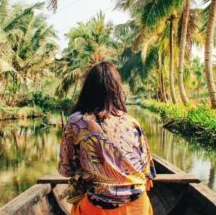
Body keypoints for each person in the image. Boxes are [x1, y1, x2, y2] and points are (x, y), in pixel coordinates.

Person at [58, 61, 156, 215]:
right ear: (116, 89)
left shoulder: (75, 122)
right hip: (139, 205)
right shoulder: (131, 122)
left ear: (87, 89)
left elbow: (66, 169)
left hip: (98, 207)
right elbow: (147, 171)